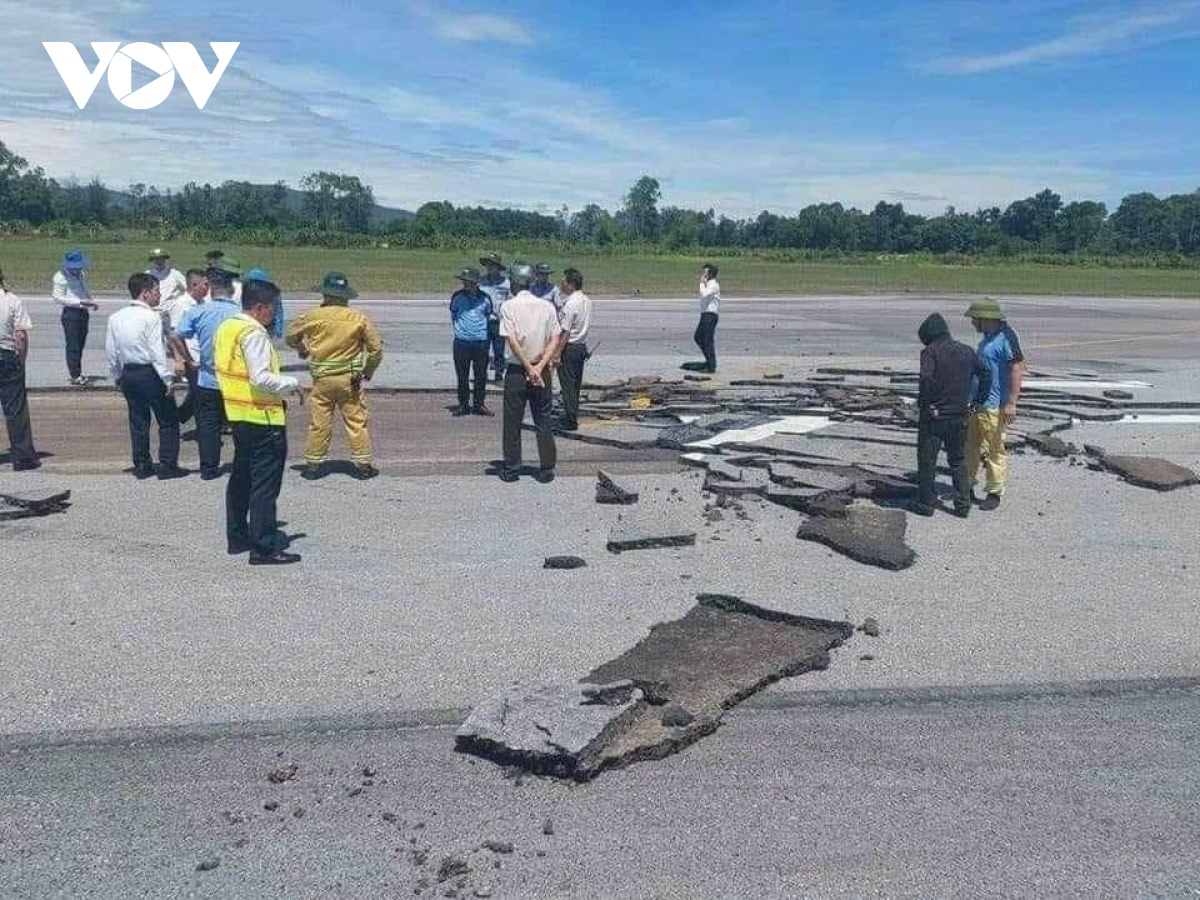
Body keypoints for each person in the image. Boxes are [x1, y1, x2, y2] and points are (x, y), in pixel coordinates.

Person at [215, 278, 302, 565]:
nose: (275, 314)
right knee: (265, 485)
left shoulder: (228, 327)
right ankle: (263, 546)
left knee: (241, 479)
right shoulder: (254, 333)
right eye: (273, 308)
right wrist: (292, 383)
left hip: (238, 414)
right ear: (260, 308)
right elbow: (261, 378)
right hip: (262, 418)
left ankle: (238, 536)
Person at [286, 271, 383, 480]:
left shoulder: (311, 316)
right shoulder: (359, 318)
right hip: (350, 380)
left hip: (322, 380)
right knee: (356, 421)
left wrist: (302, 348)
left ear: (325, 294)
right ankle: (363, 465)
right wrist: (368, 371)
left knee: (319, 421)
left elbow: (290, 335)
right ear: (346, 296)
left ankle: (313, 466)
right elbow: (376, 350)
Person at [106, 273, 185, 480]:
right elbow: (157, 352)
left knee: (138, 420)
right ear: (145, 293)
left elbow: (112, 351)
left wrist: (116, 375)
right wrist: (168, 379)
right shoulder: (152, 317)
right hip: (149, 373)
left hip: (129, 373)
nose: (159, 295)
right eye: (157, 291)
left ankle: (142, 464)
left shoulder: (116, 317)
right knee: (167, 418)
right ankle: (168, 465)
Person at [914, 313, 990, 519]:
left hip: (935, 417)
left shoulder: (930, 352)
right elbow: (986, 373)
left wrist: (926, 404)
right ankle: (963, 504)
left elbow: (926, 380)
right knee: (957, 460)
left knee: (927, 461)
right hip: (960, 414)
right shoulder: (966, 350)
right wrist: (978, 401)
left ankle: (926, 503)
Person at [175, 257, 242, 480]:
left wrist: (187, 359)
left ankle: (208, 468)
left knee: (208, 425)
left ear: (212, 289)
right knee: (240, 423)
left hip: (207, 377)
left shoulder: (199, 311)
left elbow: (176, 335)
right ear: (231, 290)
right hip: (235, 379)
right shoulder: (242, 315)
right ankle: (243, 464)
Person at [498, 263, 561, 483]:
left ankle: (512, 467)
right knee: (543, 419)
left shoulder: (508, 307)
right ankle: (546, 468)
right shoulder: (547, 306)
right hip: (541, 369)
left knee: (512, 420)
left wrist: (527, 367)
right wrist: (539, 366)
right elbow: (555, 338)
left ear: (514, 283)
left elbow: (512, 340)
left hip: (518, 369)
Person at [964, 298, 1027, 511]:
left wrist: (1011, 403)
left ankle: (994, 491)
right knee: (970, 447)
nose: (973, 324)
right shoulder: (987, 338)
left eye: (976, 320)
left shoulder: (1006, 338)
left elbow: (1017, 368)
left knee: (994, 450)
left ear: (987, 319)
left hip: (994, 406)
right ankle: (967, 485)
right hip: (977, 403)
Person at [0, 267, 38, 471]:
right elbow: (21, 336)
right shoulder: (12, 300)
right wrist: (20, 362)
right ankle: (23, 456)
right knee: (15, 410)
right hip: (6, 356)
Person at [449, 267, 494, 417]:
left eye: (468, 282)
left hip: (480, 341)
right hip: (462, 341)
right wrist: (460, 331)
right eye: (464, 282)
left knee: (481, 375)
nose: (465, 284)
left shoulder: (485, 298)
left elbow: (487, 317)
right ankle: (463, 404)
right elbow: (454, 315)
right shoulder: (457, 297)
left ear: (475, 283)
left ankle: (479, 404)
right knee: (462, 375)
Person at [554, 267, 592, 432]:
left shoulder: (570, 303)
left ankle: (570, 420)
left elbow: (565, 331)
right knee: (576, 385)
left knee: (568, 385)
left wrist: (556, 354)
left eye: (564, 281)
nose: (561, 284)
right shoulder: (586, 301)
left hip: (569, 347)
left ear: (571, 284)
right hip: (581, 346)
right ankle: (573, 413)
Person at [52, 248, 98, 385]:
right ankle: (75, 375)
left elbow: (83, 289)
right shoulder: (60, 277)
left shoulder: (81, 274)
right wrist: (80, 302)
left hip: (83, 311)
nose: (77, 269)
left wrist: (91, 301)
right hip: (71, 313)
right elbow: (58, 298)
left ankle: (77, 370)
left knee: (81, 343)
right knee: (73, 345)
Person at [170, 268, 208, 424]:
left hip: (203, 356)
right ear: (194, 285)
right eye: (205, 284)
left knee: (199, 394)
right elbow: (174, 334)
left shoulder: (205, 303)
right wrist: (179, 360)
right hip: (190, 357)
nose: (208, 288)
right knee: (200, 396)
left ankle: (181, 415)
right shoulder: (181, 304)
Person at [478, 252, 511, 382]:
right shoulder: (481, 281)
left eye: (493, 265)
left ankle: (499, 373)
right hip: (485, 320)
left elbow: (510, 300)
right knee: (483, 349)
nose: (490, 268)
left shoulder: (506, 283)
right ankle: (482, 373)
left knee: (499, 349)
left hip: (498, 321)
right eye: (488, 265)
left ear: (498, 267)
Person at [693, 263, 721, 373]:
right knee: (698, 337)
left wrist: (701, 283)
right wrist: (704, 283)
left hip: (710, 315)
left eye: (705, 272)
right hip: (705, 315)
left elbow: (704, 294)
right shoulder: (708, 284)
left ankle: (711, 365)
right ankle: (709, 361)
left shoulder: (713, 285)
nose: (703, 274)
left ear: (710, 274)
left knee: (707, 340)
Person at [147, 249, 188, 321]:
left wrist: (180, 300)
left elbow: (188, 288)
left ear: (165, 259)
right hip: (151, 312)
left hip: (169, 313)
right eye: (156, 259)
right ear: (152, 260)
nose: (159, 261)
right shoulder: (147, 274)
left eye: (161, 259)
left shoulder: (174, 274)